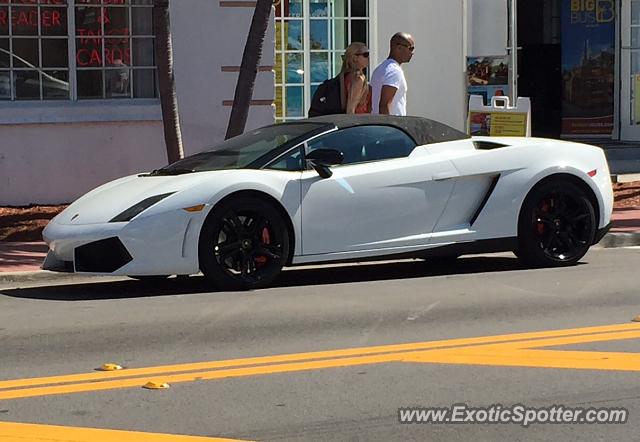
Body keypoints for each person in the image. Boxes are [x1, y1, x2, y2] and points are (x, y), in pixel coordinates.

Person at [370, 32, 415, 116]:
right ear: (399, 48)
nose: (412, 53)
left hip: (377, 123)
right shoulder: (394, 71)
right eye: (410, 48)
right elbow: (384, 105)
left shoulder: (380, 69)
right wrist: (388, 128)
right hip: (389, 126)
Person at [340, 42, 371, 114]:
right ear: (355, 58)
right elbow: (351, 109)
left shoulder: (345, 76)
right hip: (359, 121)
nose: (368, 58)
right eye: (365, 55)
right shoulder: (358, 79)